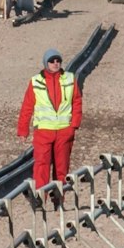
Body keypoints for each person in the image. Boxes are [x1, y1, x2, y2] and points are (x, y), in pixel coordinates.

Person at [17, 48, 83, 189]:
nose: (55, 63)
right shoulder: (35, 82)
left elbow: (77, 101)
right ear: (45, 63)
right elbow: (27, 107)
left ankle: (58, 201)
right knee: (41, 167)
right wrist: (23, 130)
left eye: (58, 60)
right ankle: (41, 198)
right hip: (43, 131)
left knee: (62, 168)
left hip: (64, 131)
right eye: (52, 61)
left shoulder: (70, 79)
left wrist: (74, 124)